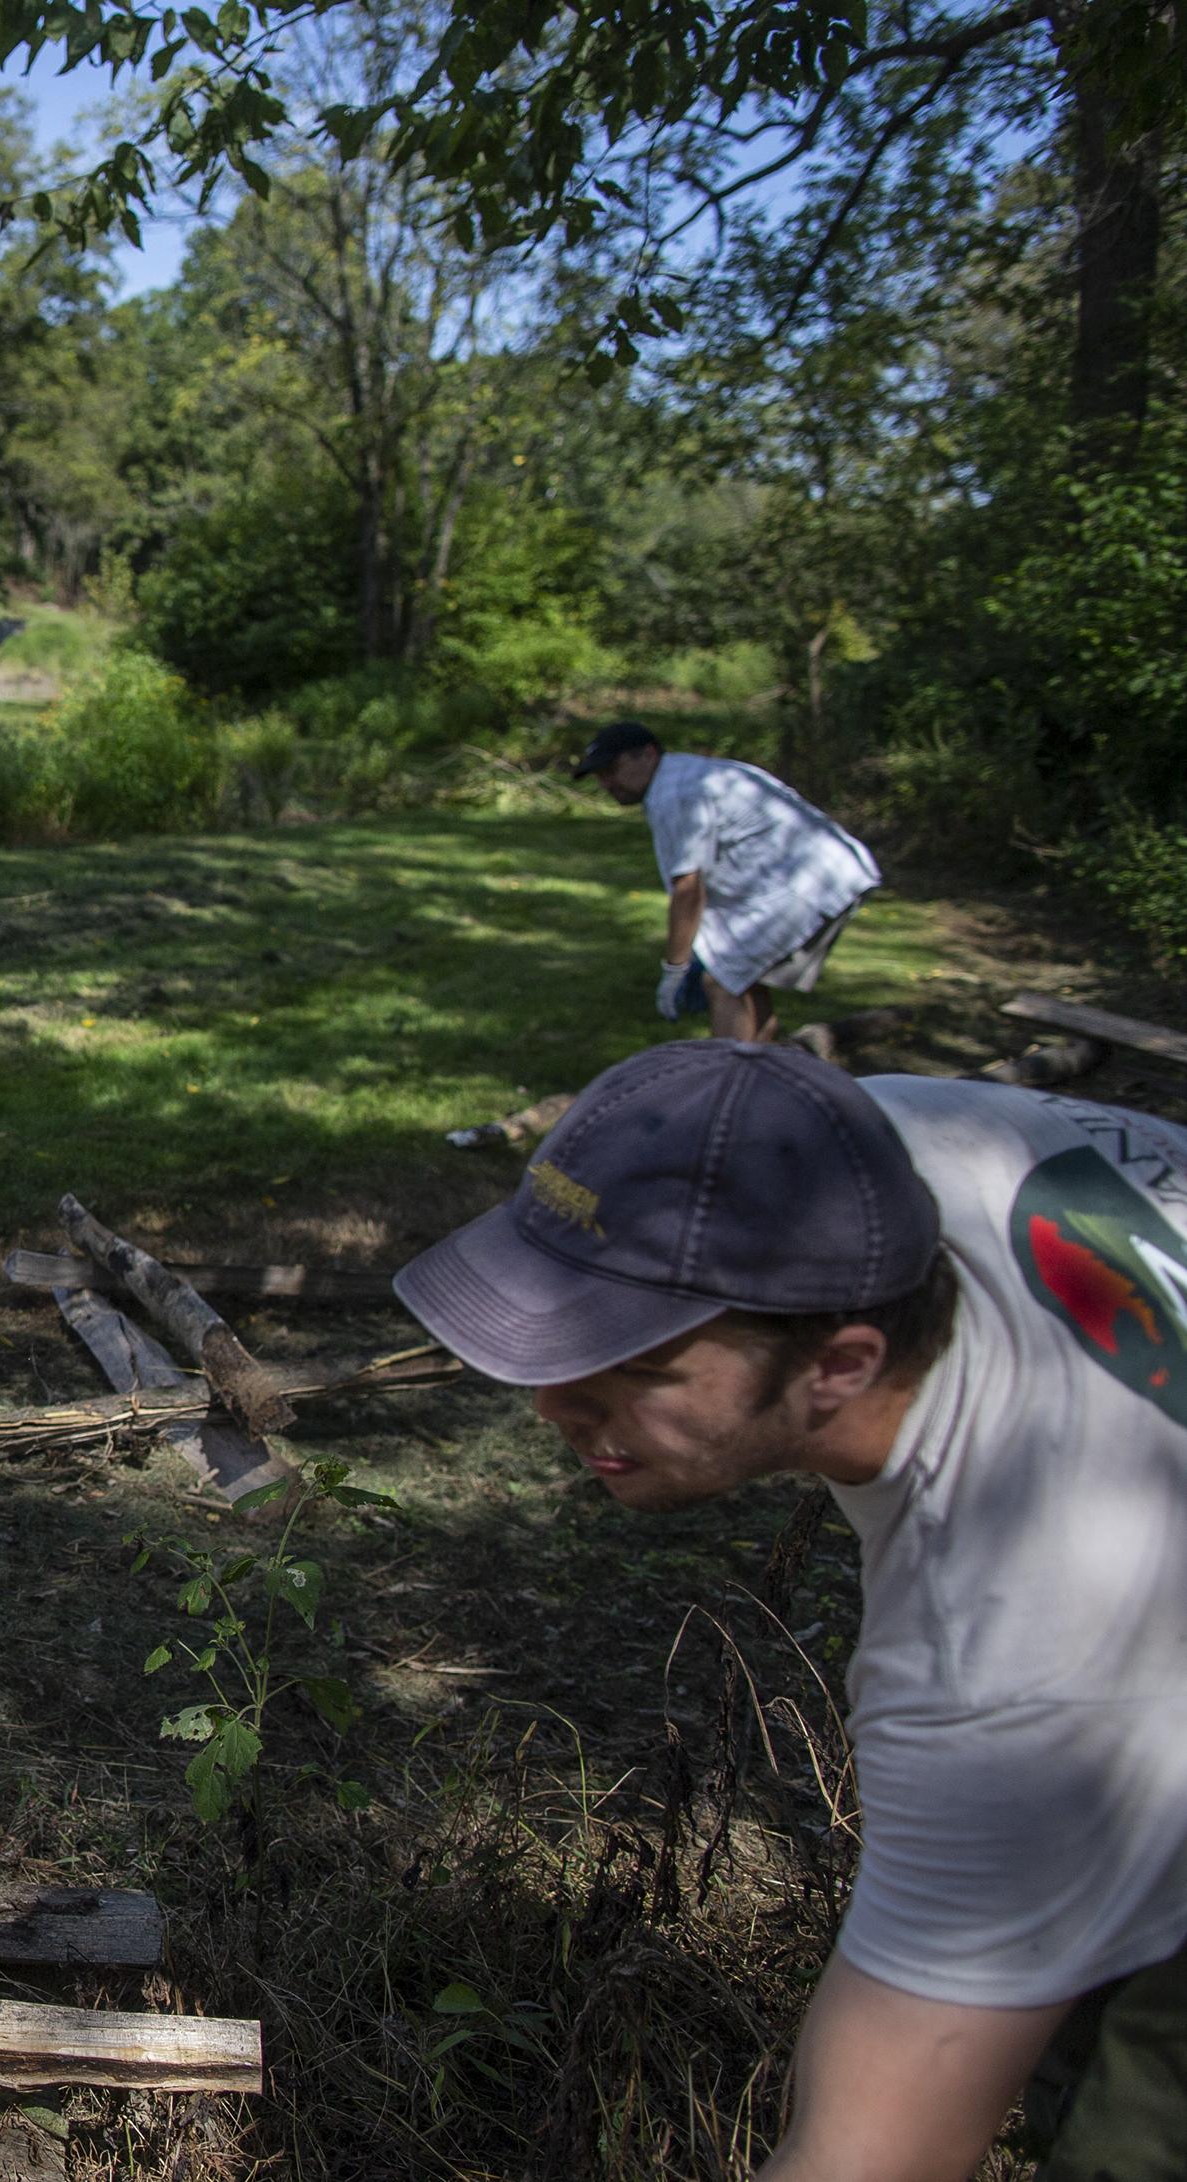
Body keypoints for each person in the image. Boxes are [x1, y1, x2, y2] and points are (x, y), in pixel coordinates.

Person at [392, 1039, 1187, 2181]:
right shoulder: (848, 1163)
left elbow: (868, 2160)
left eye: (636, 1366)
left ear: (843, 1364)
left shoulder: (1007, 1671)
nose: (548, 1402)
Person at [573, 719, 877, 1044]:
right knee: (741, 980)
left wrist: (675, 968)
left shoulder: (676, 793)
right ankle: (758, 1071)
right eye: (600, 775)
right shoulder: (687, 775)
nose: (606, 783)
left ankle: (729, 1086)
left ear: (648, 754)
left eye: (611, 769)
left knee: (722, 982)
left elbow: (688, 888)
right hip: (828, 871)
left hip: (809, 882)